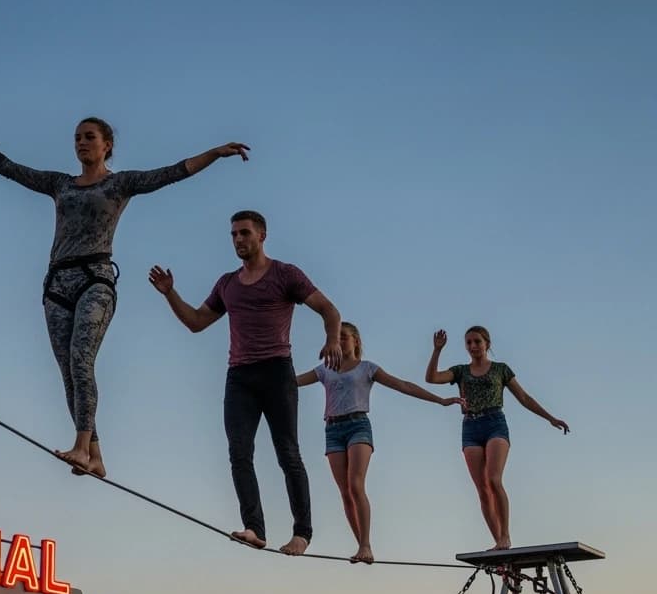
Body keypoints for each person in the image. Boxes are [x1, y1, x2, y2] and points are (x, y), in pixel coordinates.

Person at [0, 113, 248, 478]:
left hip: (95, 280)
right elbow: (9, 168)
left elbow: (173, 172)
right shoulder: (59, 184)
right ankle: (96, 456)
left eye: (89, 137)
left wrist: (214, 152)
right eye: (76, 138)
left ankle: (81, 447)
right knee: (69, 372)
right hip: (57, 284)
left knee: (81, 357)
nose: (81, 143)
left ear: (107, 145)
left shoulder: (120, 184)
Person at [150, 210, 342, 554]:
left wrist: (333, 339)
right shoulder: (227, 283)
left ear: (261, 236)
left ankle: (302, 533)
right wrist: (170, 294)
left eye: (244, 233)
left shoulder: (286, 274)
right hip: (239, 377)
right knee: (239, 453)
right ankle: (255, 528)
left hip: (277, 372)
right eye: (234, 235)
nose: (239, 240)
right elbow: (196, 322)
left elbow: (329, 309)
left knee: (288, 454)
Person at [297, 321, 460, 562]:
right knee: (344, 492)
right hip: (332, 429)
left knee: (355, 484)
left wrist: (440, 400)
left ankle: (366, 545)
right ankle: (360, 546)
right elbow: (290, 381)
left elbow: (403, 385)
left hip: (358, 426)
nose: (340, 341)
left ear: (356, 341)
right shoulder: (325, 369)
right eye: (336, 337)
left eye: (344, 337)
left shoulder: (367, 368)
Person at [425, 326, 569, 550]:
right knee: (482, 489)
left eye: (477, 342)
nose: (473, 346)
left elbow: (523, 397)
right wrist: (437, 350)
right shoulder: (461, 371)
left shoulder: (501, 369)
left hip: (495, 424)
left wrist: (549, 418)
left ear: (487, 344)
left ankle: (506, 535)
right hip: (471, 427)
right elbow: (432, 378)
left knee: (493, 479)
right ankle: (498, 543)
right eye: (469, 343)